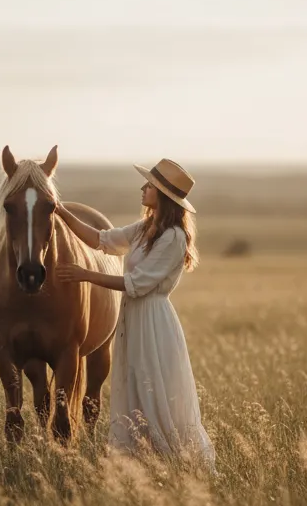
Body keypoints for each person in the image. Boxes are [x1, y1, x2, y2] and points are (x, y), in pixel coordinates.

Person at [55, 158, 216, 469]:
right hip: (134, 318)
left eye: (150, 186)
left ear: (163, 196)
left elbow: (136, 285)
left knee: (154, 385)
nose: (143, 189)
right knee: (134, 383)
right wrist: (61, 211)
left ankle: (174, 460)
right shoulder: (145, 229)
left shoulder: (173, 238)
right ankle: (138, 460)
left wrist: (85, 275)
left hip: (153, 320)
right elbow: (102, 240)